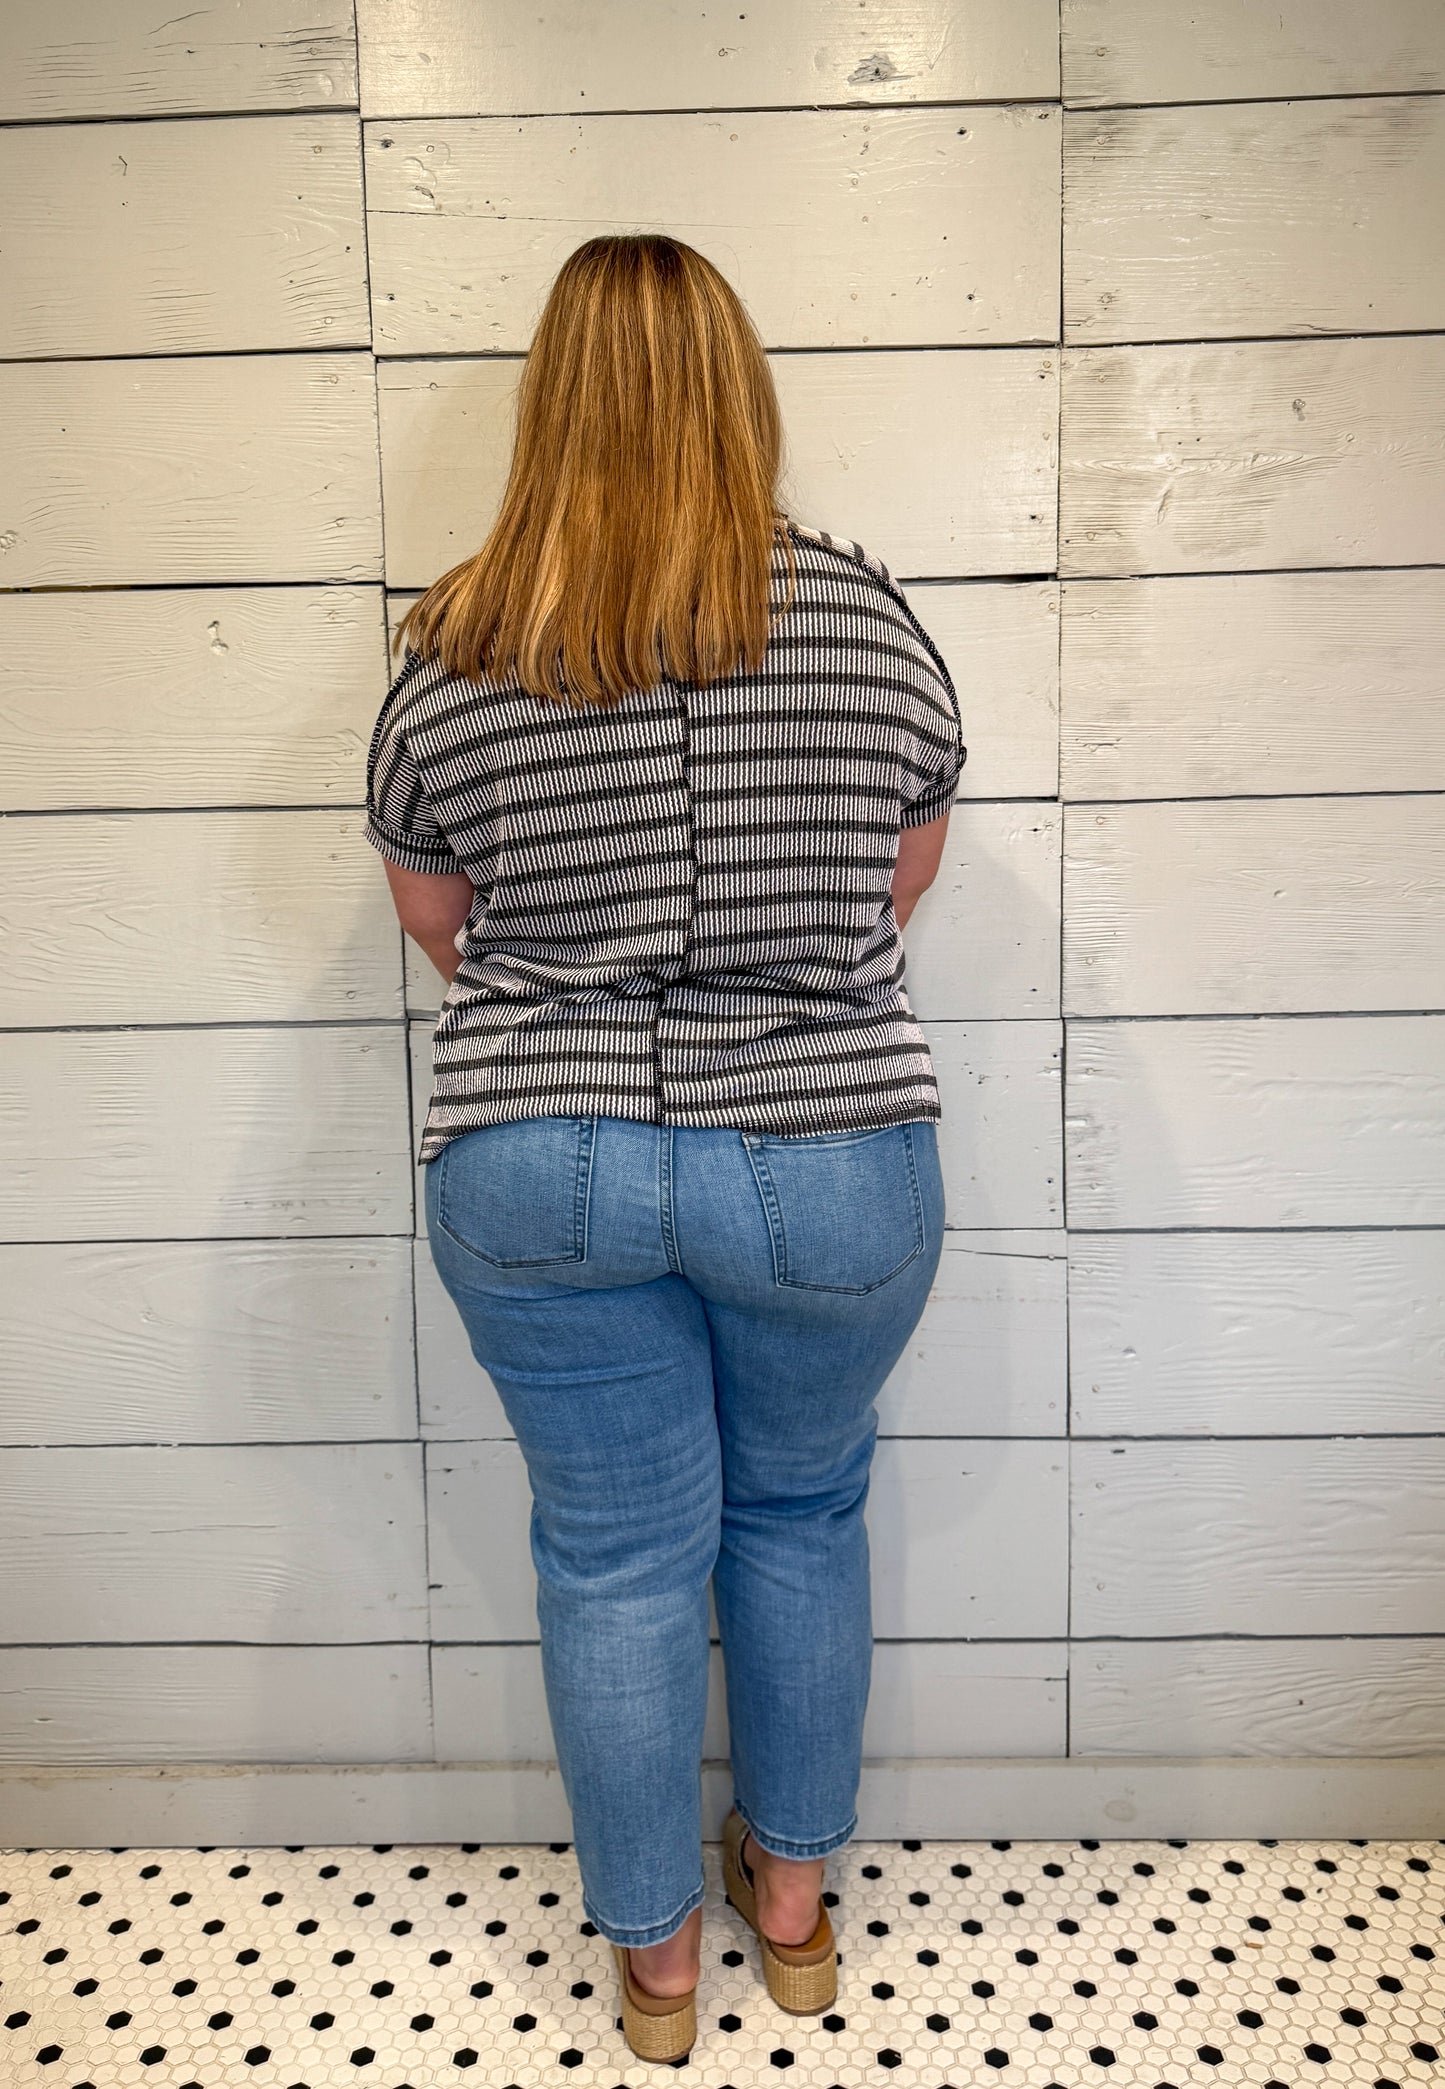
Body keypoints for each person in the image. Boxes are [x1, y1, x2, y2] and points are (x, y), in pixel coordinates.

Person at [363, 232, 964, 2065]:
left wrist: (580, 997)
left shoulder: (454, 645)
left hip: (535, 1153)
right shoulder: (866, 620)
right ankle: (793, 1910)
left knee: (615, 1555)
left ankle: (657, 1971)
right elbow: (901, 875)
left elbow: (436, 915)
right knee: (801, 1510)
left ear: (550, 403)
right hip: (829, 1150)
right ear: (738, 391)